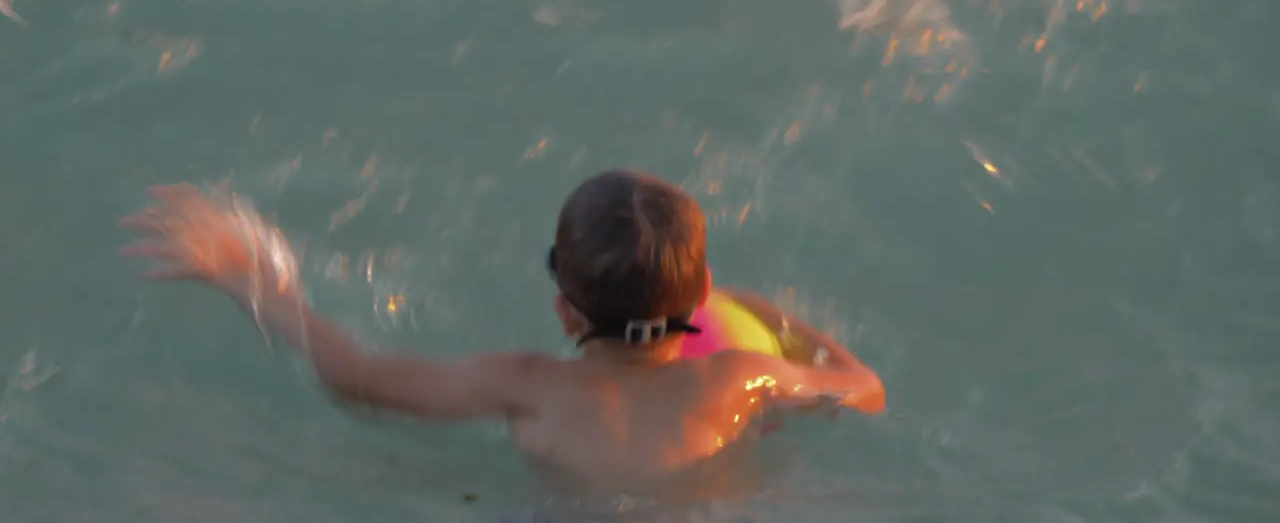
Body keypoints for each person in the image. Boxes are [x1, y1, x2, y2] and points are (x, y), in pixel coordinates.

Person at [120, 170, 884, 497]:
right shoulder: (742, 377)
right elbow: (865, 392)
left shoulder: (527, 385)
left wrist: (251, 277)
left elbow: (354, 375)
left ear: (566, 313)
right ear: (707, 295)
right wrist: (780, 323)